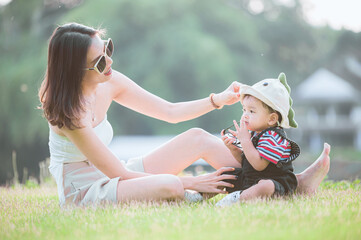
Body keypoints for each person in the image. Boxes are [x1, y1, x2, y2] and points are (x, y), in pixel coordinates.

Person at [38, 23, 330, 207]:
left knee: (197, 138)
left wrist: (217, 99)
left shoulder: (109, 80)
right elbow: (120, 175)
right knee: (171, 184)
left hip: (117, 175)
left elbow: (169, 112)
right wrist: (192, 181)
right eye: (100, 61)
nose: (110, 62)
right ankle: (235, 191)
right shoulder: (67, 110)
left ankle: (288, 182)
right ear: (75, 71)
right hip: (88, 190)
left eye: (108, 48)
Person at [216, 74, 331, 206]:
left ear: (272, 119)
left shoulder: (273, 137)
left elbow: (259, 165)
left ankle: (236, 199)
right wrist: (234, 149)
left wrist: (245, 141)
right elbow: (246, 162)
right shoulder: (254, 133)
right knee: (225, 174)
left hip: (275, 183)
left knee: (265, 186)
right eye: (244, 110)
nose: (245, 116)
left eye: (252, 111)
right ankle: (200, 195)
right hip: (252, 180)